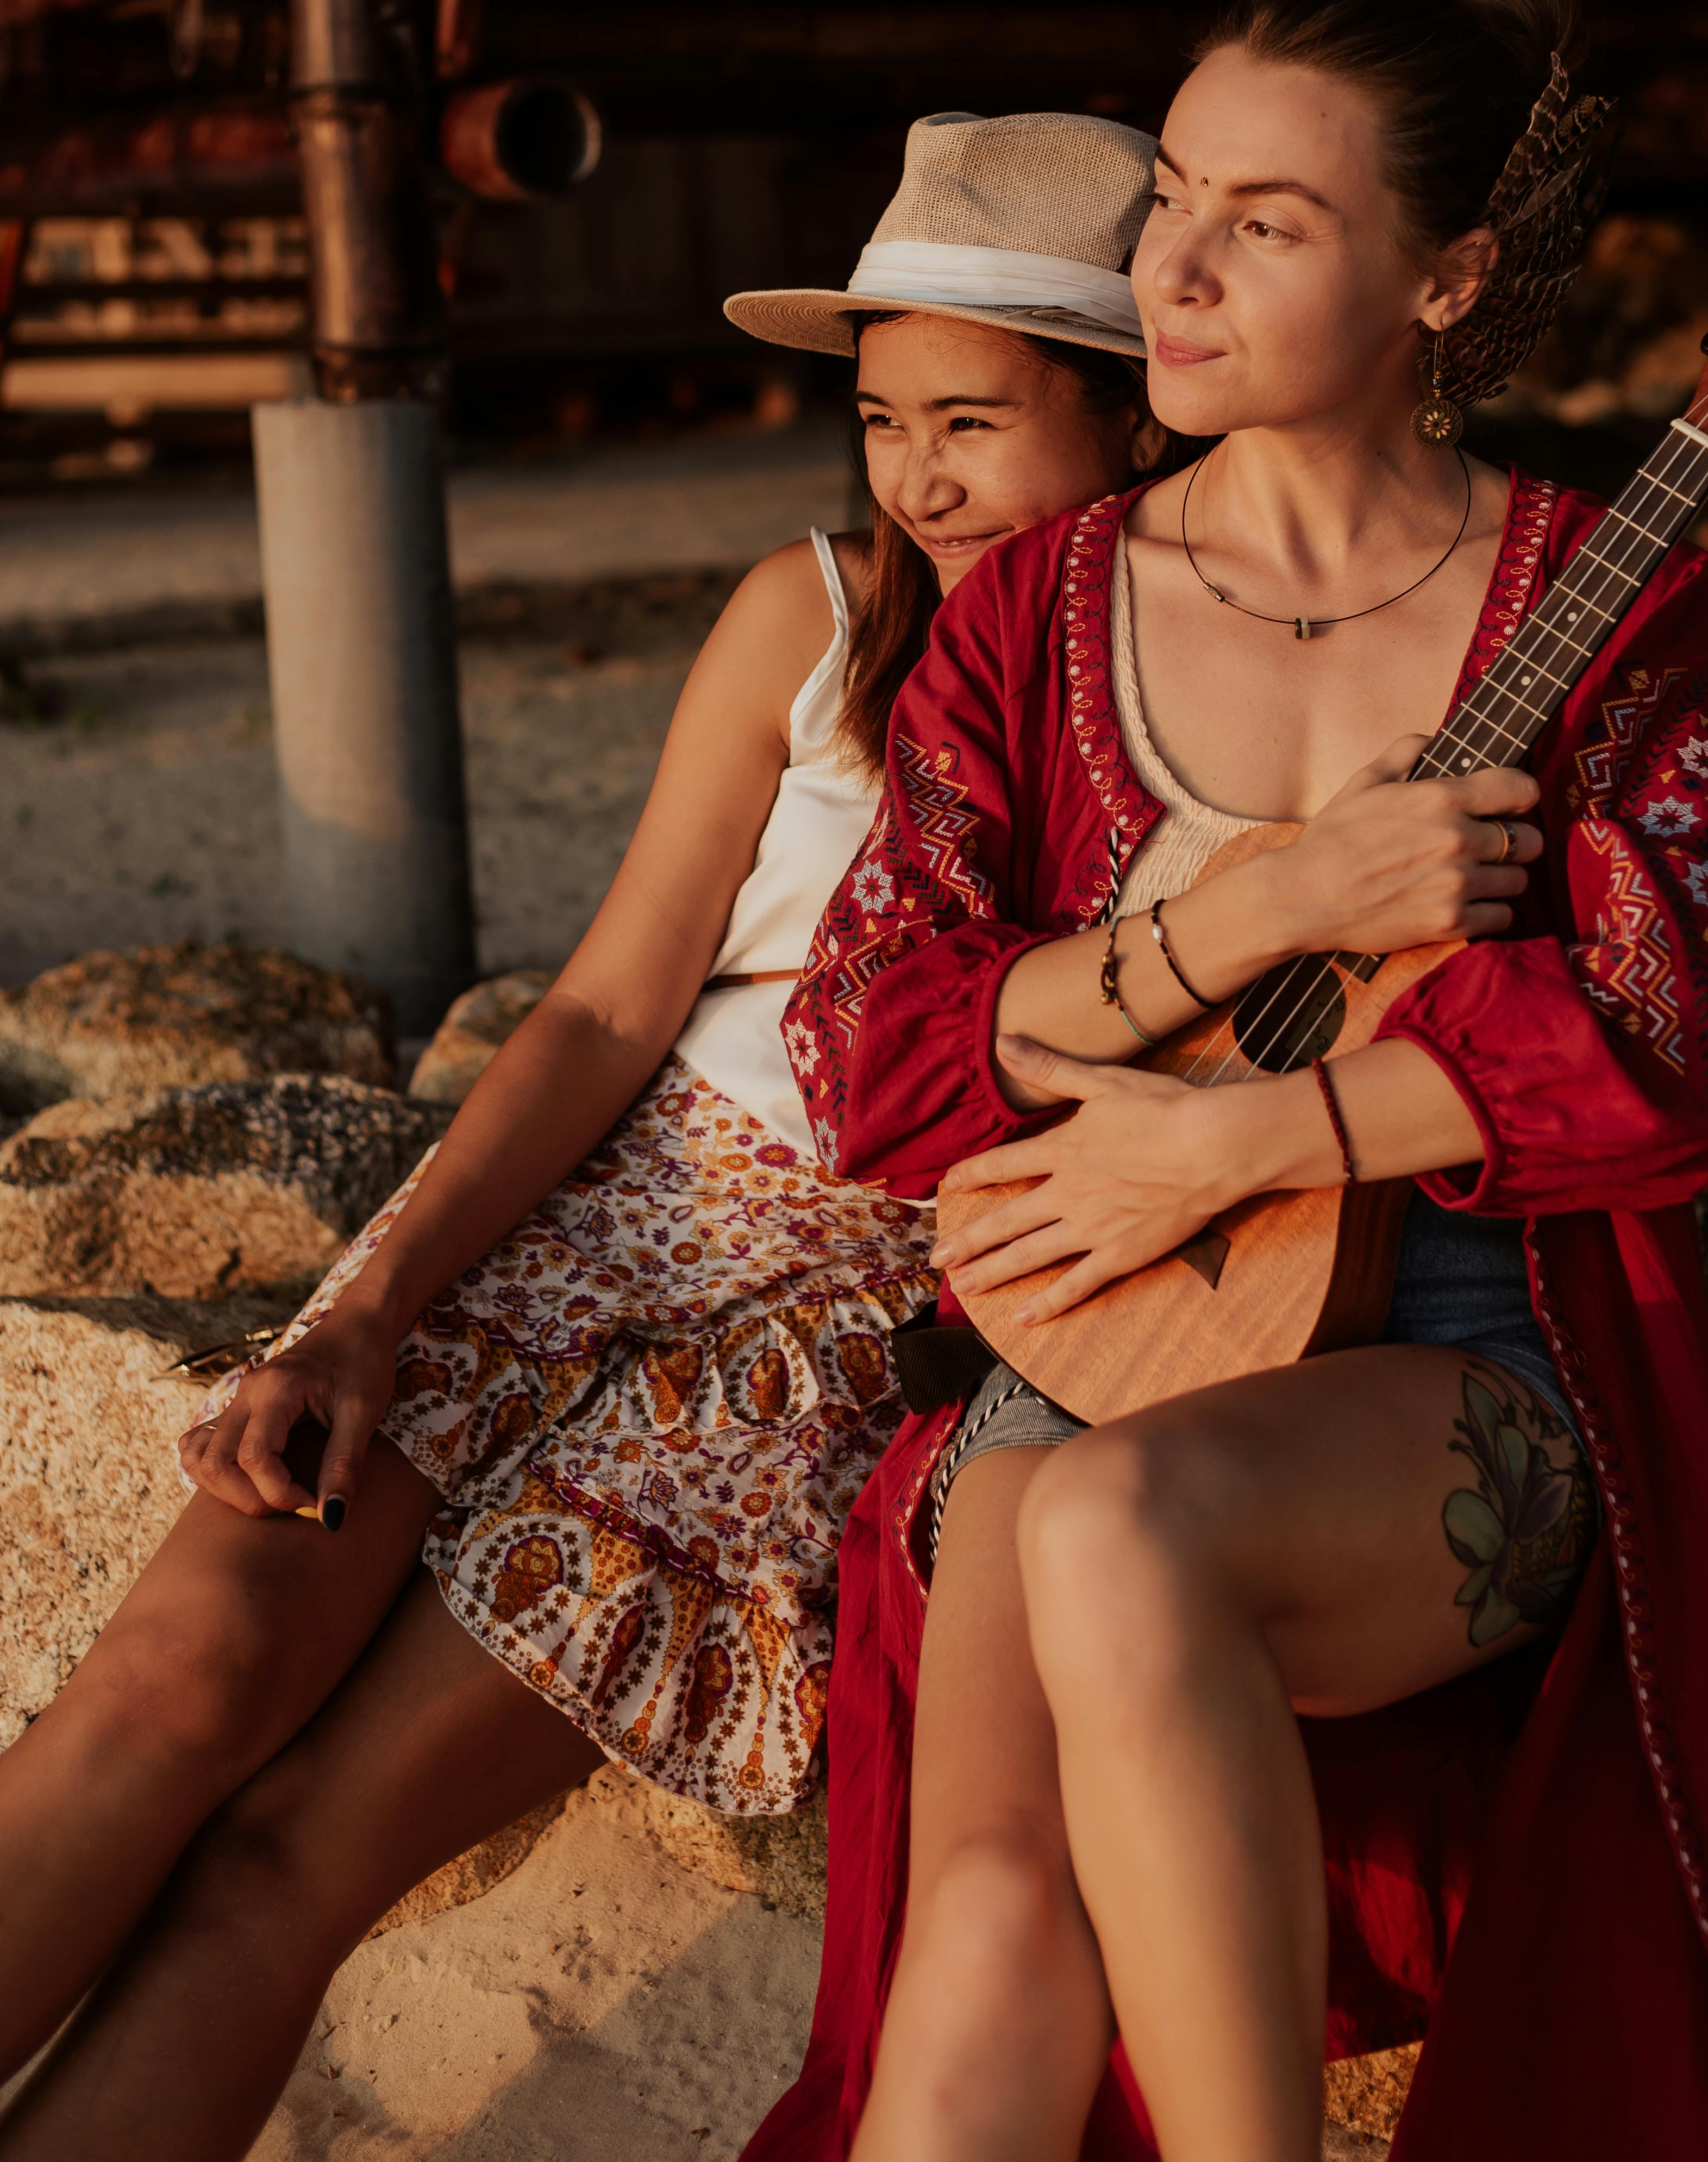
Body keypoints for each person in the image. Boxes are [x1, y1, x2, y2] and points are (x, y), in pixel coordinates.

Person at [746, 0, 1708, 2162]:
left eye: (1269, 223)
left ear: (1448, 275)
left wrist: (1236, 1139)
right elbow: (871, 1039)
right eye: (1174, 198)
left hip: (1477, 1344)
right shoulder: (1039, 606)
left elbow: (1677, 1041)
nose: (1176, 271)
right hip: (1090, 1319)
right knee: (992, 1897)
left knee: (1117, 1534)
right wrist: (1252, 928)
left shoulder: (1595, 592)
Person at [0, 110, 1173, 2160]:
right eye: (887, 419)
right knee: (164, 1692)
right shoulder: (813, 617)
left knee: (298, 1854)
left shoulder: (1206, 708)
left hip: (820, 1338)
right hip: (589, 1226)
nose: (921, 473)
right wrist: (363, 1307)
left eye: (976, 418)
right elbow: (612, 1006)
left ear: (1139, 423)